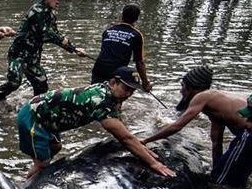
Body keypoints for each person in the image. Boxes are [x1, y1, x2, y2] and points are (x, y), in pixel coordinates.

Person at [17, 66, 176, 179]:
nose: (128, 94)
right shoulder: (101, 100)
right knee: (42, 164)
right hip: (33, 117)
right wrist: (154, 164)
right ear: (113, 82)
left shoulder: (109, 93)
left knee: (56, 147)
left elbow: (123, 131)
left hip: (48, 118)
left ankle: (39, 169)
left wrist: (140, 146)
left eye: (132, 91)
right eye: (126, 89)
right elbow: (125, 138)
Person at [142, 66, 252, 188]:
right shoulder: (217, 106)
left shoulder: (202, 97)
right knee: (235, 177)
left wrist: (145, 141)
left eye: (183, 86)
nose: (181, 91)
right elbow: (216, 143)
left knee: (221, 183)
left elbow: (176, 126)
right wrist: (216, 168)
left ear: (192, 87)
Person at [0, 0, 89, 111]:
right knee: (14, 82)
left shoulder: (51, 15)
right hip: (19, 54)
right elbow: (46, 33)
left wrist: (74, 49)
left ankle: (34, 109)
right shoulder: (36, 11)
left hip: (32, 58)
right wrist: (64, 41)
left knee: (42, 86)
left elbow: (56, 34)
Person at [91, 4, 151, 91]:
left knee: (94, 94)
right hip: (117, 73)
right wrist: (145, 83)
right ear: (136, 19)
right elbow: (139, 62)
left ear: (122, 15)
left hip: (99, 68)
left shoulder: (108, 31)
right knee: (114, 100)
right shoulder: (136, 35)